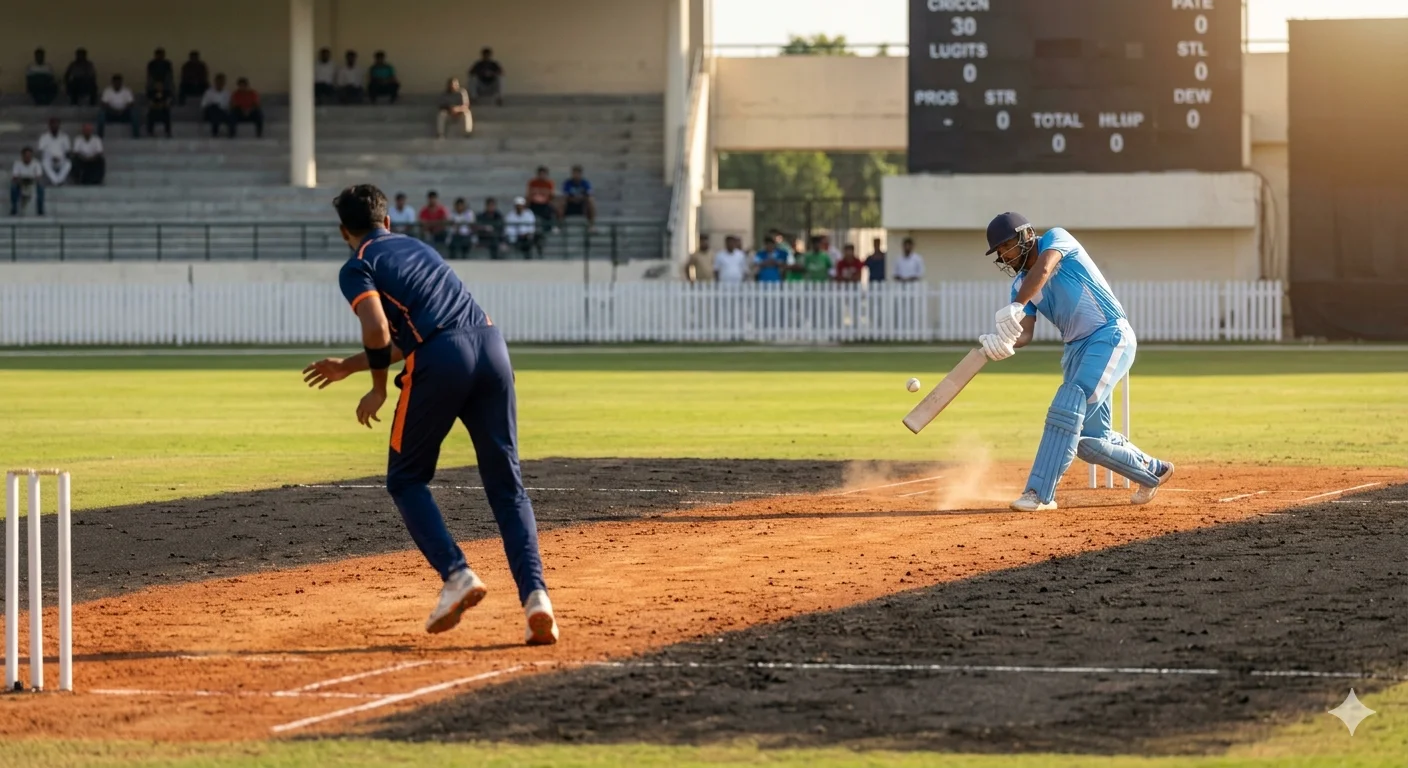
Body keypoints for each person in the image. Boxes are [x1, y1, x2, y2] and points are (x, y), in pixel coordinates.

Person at [301, 183, 558, 645]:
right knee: (507, 487)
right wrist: (350, 365)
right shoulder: (419, 247)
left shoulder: (358, 265)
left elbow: (379, 328)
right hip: (492, 347)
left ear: (344, 231)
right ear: (388, 221)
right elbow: (411, 333)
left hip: (441, 360)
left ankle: (457, 574)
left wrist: (377, 387)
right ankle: (537, 598)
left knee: (405, 479)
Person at [978, 212, 1174, 513]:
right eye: (999, 251)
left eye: (1006, 246)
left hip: (1109, 336)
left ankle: (1039, 494)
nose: (1004, 255)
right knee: (1090, 440)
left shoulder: (1057, 238)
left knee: (1068, 407)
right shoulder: (1019, 286)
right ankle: (1152, 470)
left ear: (1026, 235)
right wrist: (1001, 342)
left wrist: (1015, 306)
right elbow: (1025, 333)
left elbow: (1044, 268)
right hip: (1075, 351)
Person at [10, 148, 45, 217]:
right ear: (22, 156)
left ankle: (40, 210)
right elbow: (14, 177)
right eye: (26, 156)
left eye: (29, 156)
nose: (28, 158)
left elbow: (39, 177)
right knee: (13, 187)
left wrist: (32, 179)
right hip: (21, 183)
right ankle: (14, 209)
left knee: (41, 188)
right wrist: (20, 180)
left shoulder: (36, 163)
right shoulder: (17, 163)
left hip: (33, 183)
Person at [37, 118, 72, 186]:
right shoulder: (44, 137)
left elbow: (67, 151)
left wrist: (60, 158)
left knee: (68, 164)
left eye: (56, 124)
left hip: (61, 160)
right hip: (49, 160)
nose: (54, 126)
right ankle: (56, 181)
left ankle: (59, 180)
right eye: (53, 124)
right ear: (49, 126)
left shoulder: (64, 137)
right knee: (44, 163)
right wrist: (51, 157)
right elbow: (41, 151)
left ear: (59, 125)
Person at [526, 167, 555, 232]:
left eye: (543, 174)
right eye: (540, 174)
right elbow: (529, 194)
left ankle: (548, 228)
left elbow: (551, 195)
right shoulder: (533, 183)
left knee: (549, 211)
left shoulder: (549, 183)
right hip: (534, 204)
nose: (542, 176)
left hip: (545, 204)